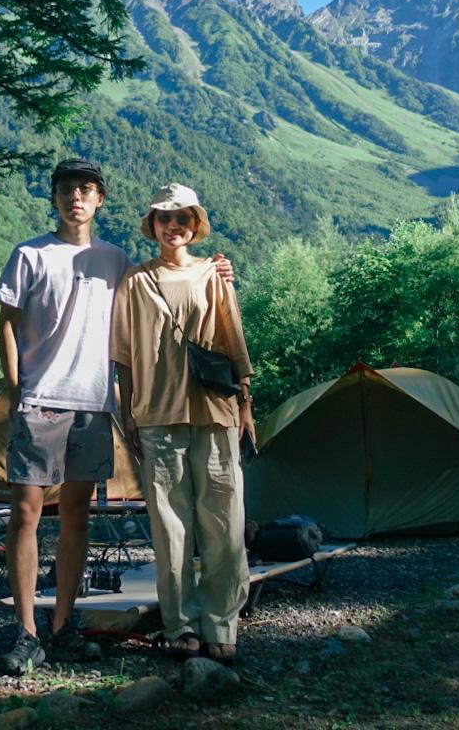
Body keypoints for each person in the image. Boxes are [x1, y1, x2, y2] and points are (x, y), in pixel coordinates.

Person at [0, 159, 129, 675]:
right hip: (40, 399)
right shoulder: (29, 254)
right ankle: (26, 632)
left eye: (87, 189)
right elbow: (6, 323)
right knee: (27, 511)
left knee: (76, 515)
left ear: (99, 201)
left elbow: (158, 292)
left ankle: (62, 626)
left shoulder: (115, 260)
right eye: (68, 188)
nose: (77, 196)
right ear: (54, 198)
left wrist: (217, 269)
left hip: (93, 404)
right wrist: (15, 388)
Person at [111, 183, 253, 665]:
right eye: (163, 218)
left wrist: (247, 404)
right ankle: (181, 624)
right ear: (151, 226)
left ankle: (222, 622)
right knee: (170, 528)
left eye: (182, 218)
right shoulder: (134, 281)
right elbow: (125, 357)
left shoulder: (215, 274)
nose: (173, 226)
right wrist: (127, 410)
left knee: (223, 521)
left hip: (214, 411)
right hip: (156, 415)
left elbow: (234, 342)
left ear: (195, 225)